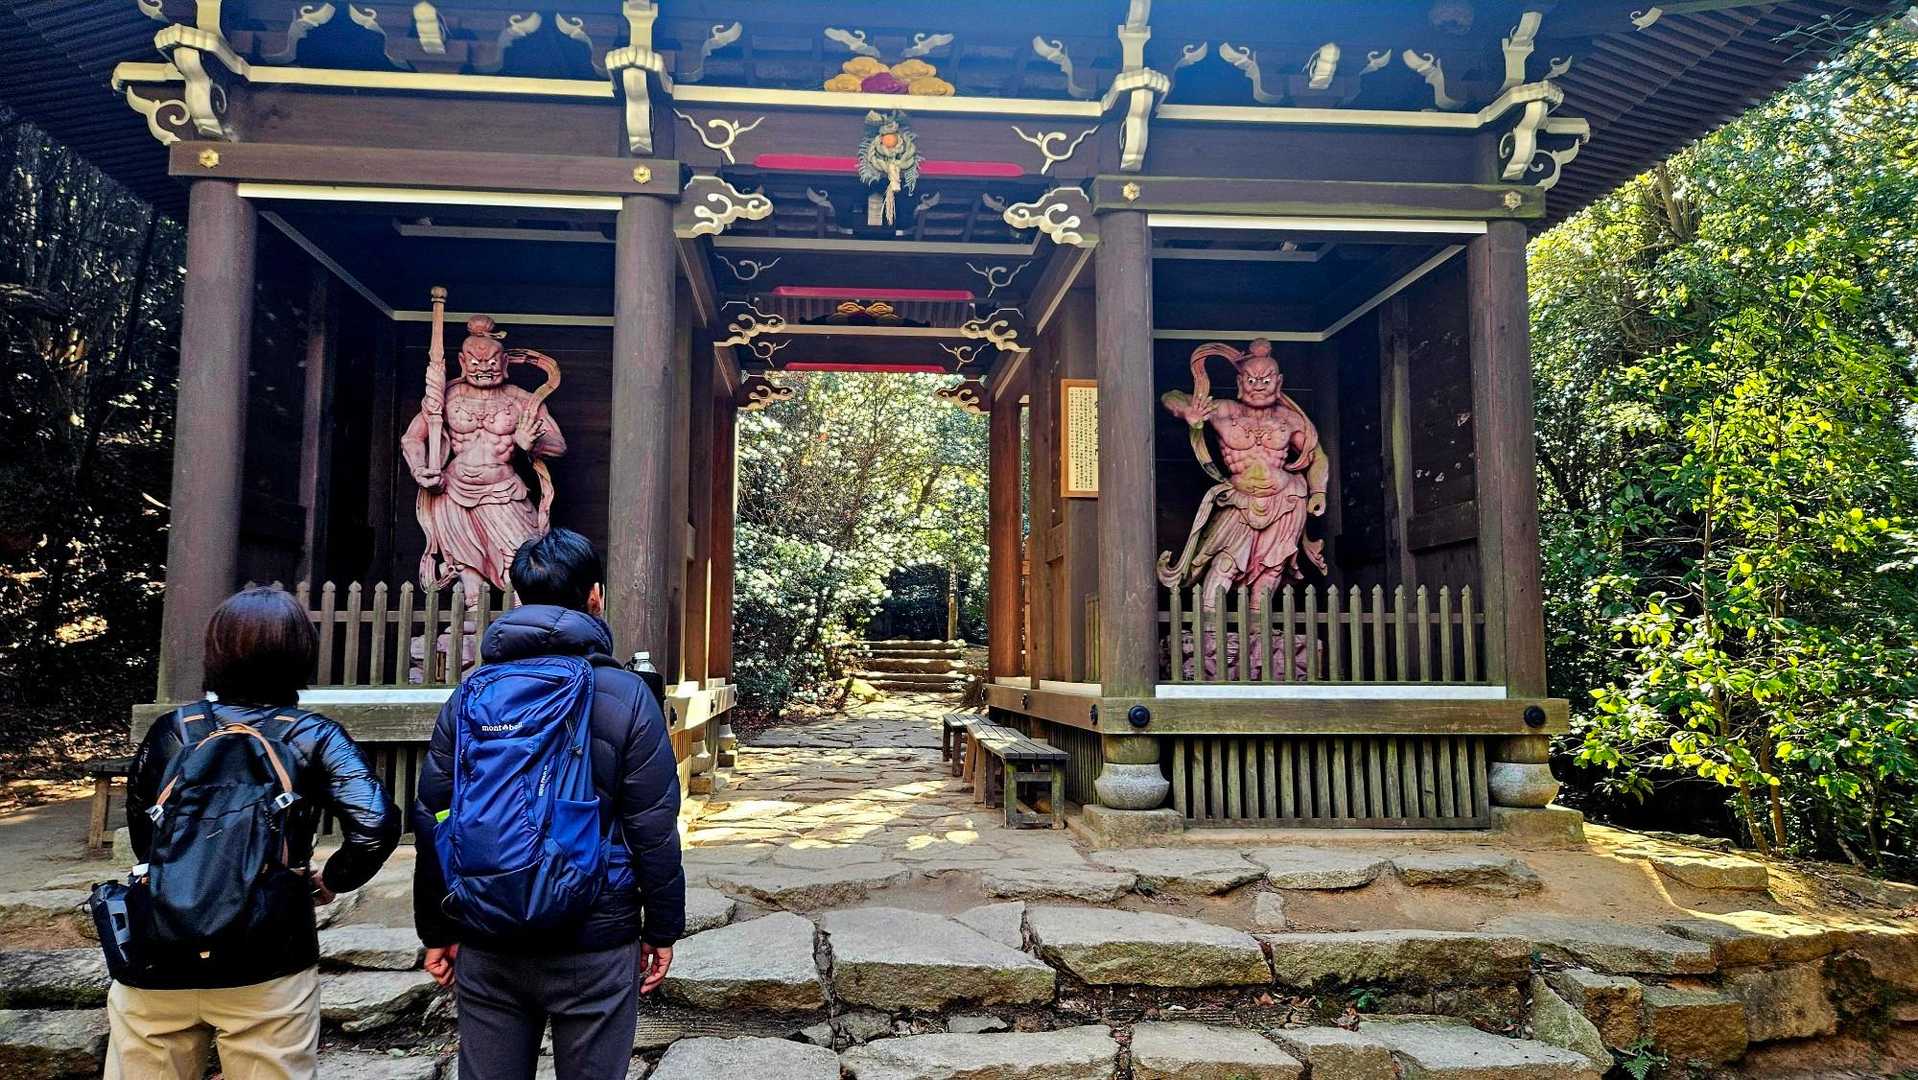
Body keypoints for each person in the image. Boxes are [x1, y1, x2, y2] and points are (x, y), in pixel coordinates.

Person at [413, 528, 685, 1080]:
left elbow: (434, 815)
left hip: (489, 933)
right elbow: (652, 827)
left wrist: (437, 929)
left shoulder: (472, 694)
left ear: (517, 598)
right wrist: (661, 928)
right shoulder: (627, 695)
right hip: (595, 935)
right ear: (595, 596)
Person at [109, 587, 402, 1080]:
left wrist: (185, 879)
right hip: (268, 951)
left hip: (158, 949)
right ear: (301, 654)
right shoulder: (313, 735)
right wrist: (331, 879)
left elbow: (146, 835)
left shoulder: (172, 730)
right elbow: (375, 824)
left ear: (214, 651)